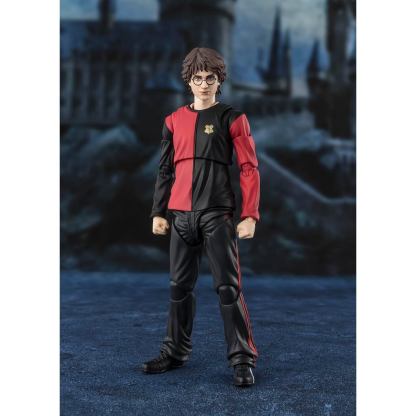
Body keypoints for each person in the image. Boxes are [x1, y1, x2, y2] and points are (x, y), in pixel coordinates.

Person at [142, 47, 260, 387]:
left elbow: (249, 168)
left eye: (210, 78)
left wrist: (250, 214)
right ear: (189, 81)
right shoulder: (172, 120)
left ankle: (242, 359)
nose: (204, 84)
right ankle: (175, 351)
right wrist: (158, 211)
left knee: (228, 288)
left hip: (216, 214)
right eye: (198, 78)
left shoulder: (232, 118)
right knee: (179, 287)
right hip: (180, 215)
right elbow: (165, 170)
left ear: (219, 81)